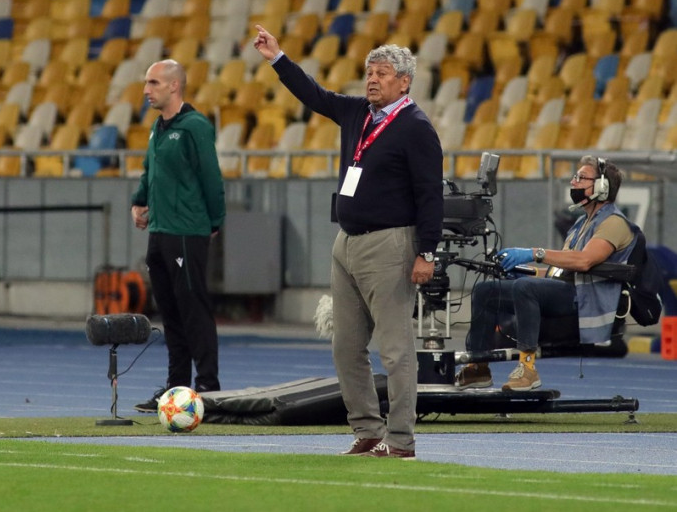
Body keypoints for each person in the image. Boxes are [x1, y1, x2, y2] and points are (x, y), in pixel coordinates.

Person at [252, 26, 443, 460]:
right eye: (369, 72)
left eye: (382, 73)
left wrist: (426, 252)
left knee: (395, 351)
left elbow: (431, 194)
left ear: (404, 81)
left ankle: (401, 440)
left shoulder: (416, 128)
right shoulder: (358, 113)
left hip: (390, 245)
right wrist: (278, 58)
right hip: (347, 243)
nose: (372, 79)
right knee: (345, 346)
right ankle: (368, 429)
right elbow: (314, 95)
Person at [455, 156, 634, 391]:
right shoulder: (581, 223)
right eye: (575, 176)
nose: (574, 181)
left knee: (525, 288)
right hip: (568, 290)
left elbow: (583, 261)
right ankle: (478, 367)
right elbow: (561, 272)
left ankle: (527, 369)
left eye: (581, 178)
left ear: (602, 187)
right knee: (486, 291)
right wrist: (526, 272)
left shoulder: (614, 223)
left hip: (587, 298)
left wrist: (534, 253)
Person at [130, 59, 226, 413]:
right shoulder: (159, 127)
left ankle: (208, 386)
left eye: (153, 82)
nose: (146, 90)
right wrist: (139, 201)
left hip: (187, 232)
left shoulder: (194, 126)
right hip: (160, 232)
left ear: (174, 86)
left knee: (194, 310)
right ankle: (177, 387)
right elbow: (149, 169)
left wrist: (214, 221)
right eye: (146, 82)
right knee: (170, 313)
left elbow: (211, 177)